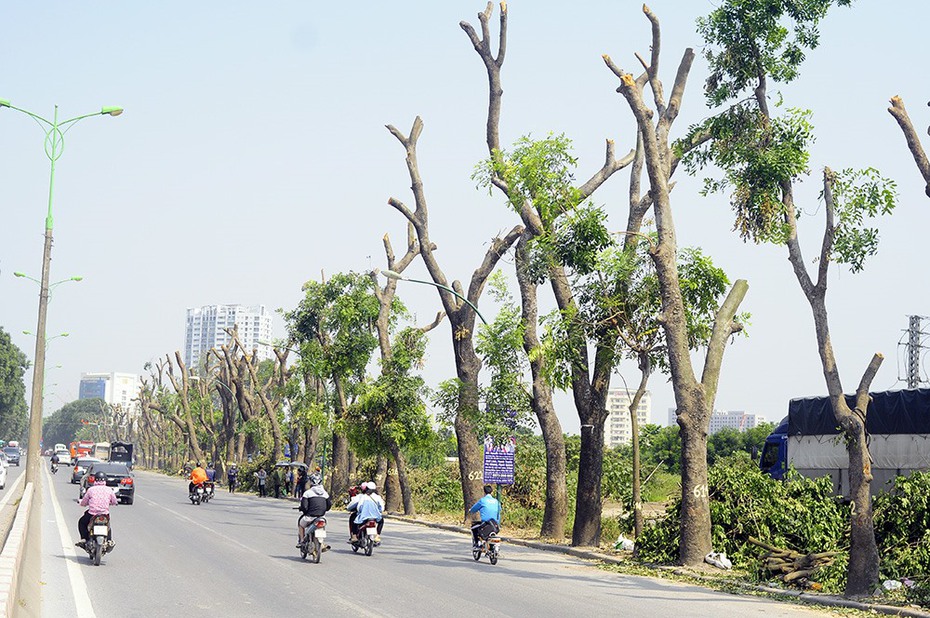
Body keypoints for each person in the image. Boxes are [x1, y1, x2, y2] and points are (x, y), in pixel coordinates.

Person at [75, 474, 117, 550]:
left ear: (95, 480)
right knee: (108, 526)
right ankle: (109, 540)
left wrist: (81, 502)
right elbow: (114, 501)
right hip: (105, 514)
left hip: (92, 514)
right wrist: (111, 503)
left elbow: (84, 502)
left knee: (82, 522)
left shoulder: (91, 490)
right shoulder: (109, 490)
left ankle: (84, 538)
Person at [297, 472, 332, 549]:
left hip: (310, 517)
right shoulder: (325, 493)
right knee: (322, 527)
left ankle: (302, 540)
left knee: (301, 525)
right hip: (321, 517)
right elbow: (329, 505)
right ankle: (322, 543)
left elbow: (304, 506)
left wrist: (305, 511)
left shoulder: (307, 493)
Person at [468, 484, 501, 549]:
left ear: (484, 492)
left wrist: (470, 510)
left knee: (474, 528)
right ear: (491, 492)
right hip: (495, 525)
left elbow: (474, 509)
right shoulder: (496, 501)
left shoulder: (482, 501)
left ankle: (477, 544)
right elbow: (499, 510)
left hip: (485, 524)